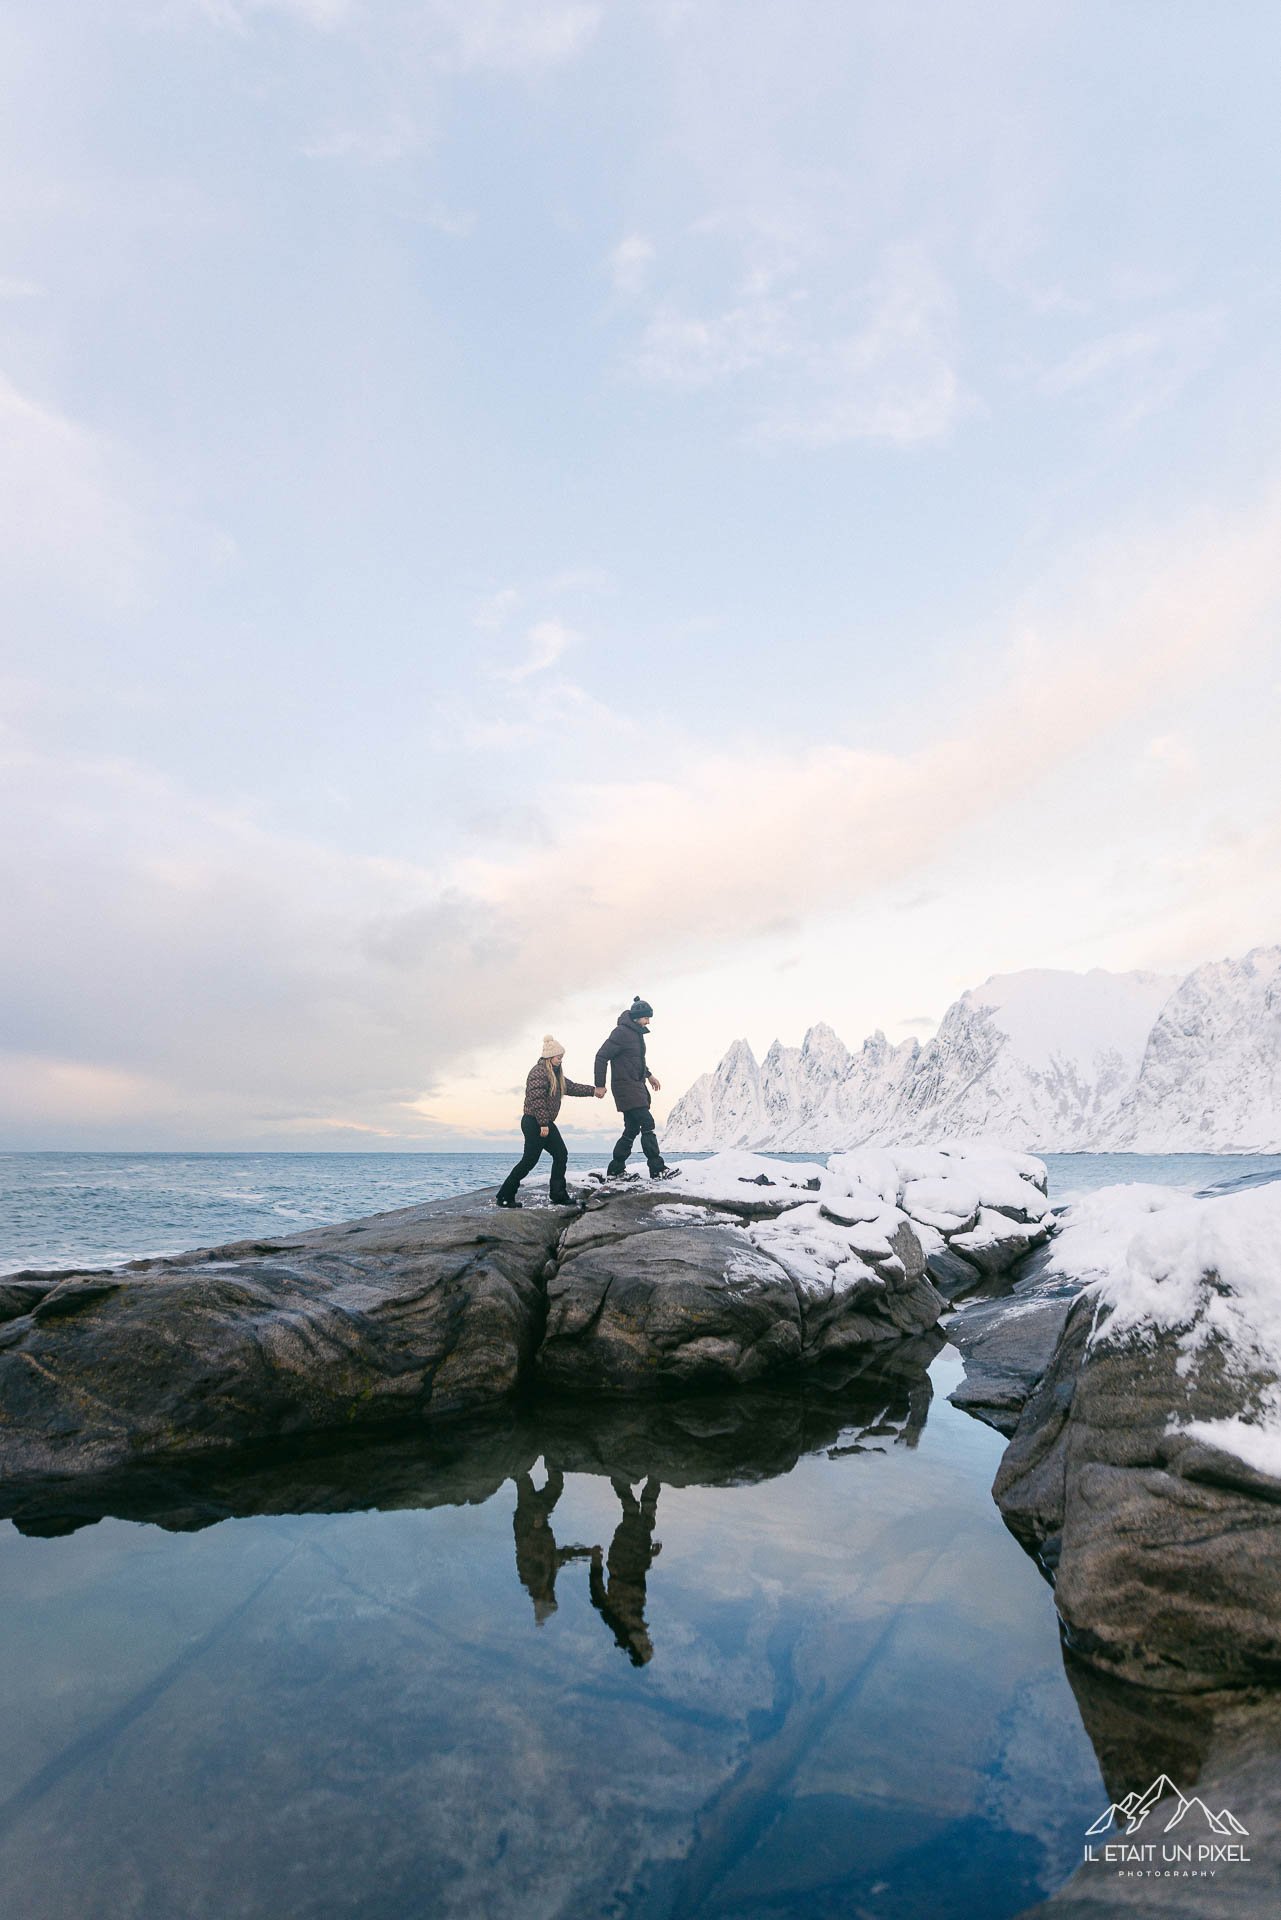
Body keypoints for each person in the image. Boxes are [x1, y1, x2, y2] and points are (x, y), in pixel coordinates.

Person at [495, 1034, 601, 1209]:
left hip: (543, 1122)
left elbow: (571, 1087)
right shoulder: (538, 1072)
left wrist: (593, 1091)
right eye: (559, 1057)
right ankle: (505, 1196)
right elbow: (537, 1099)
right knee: (529, 1160)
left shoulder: (554, 1074)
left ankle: (558, 1195)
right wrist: (544, 1124)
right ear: (550, 1057)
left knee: (560, 1154)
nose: (561, 1060)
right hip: (534, 1122)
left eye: (562, 1058)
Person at [594, 996, 672, 1179]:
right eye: (646, 1018)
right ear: (637, 1017)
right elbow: (601, 1056)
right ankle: (657, 1169)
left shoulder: (636, 1034)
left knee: (631, 1129)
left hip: (635, 1085)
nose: (649, 1021)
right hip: (625, 1087)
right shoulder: (621, 1033)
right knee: (647, 1123)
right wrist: (599, 1085)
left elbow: (634, 1061)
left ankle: (616, 1170)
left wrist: (649, 1075)